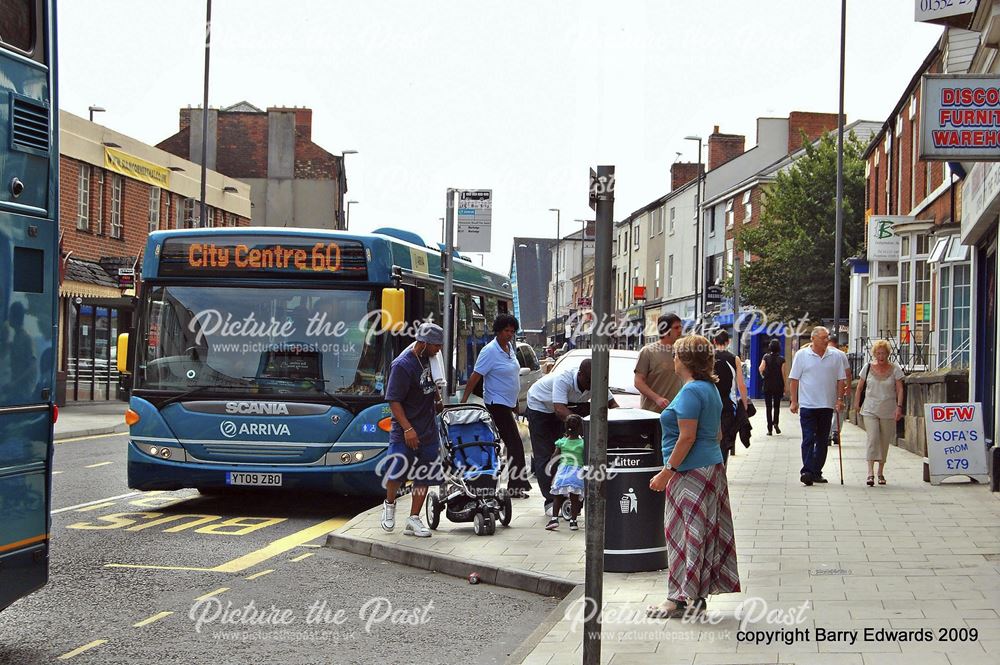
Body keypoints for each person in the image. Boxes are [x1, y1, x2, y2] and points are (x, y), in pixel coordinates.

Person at [647, 335, 740, 619]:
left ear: (686, 360)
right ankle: (695, 597)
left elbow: (686, 437)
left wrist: (667, 472)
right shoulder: (709, 388)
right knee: (701, 534)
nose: (673, 359)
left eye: (676, 355)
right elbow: (718, 433)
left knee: (680, 534)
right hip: (710, 468)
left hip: (690, 472)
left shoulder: (690, 392)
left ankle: (677, 599)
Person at [525, 359, 618, 515]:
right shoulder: (564, 379)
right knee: (548, 454)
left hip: (565, 407)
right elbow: (560, 410)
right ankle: (550, 501)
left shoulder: (596, 381)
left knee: (567, 454)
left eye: (594, 382)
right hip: (540, 406)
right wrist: (585, 428)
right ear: (580, 375)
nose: (591, 386)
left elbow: (613, 405)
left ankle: (568, 495)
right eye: (588, 381)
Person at [381, 323, 445, 537]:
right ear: (424, 343)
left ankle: (413, 518)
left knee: (424, 475)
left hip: (428, 429)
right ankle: (389, 505)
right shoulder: (402, 365)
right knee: (396, 471)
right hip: (405, 429)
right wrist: (408, 429)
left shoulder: (432, 359)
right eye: (436, 345)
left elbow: (433, 382)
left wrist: (437, 399)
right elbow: (394, 401)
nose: (439, 350)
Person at [461, 314, 532, 496]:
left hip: (507, 403)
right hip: (496, 403)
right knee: (515, 443)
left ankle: (516, 485)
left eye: (512, 331)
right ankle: (517, 487)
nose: (510, 334)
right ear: (498, 331)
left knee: (512, 444)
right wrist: (463, 401)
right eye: (506, 331)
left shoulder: (509, 348)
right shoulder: (489, 351)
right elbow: (475, 376)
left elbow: (511, 377)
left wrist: (515, 401)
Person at [789, 326, 846, 486]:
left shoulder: (835, 356)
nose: (826, 340)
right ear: (813, 339)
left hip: (827, 404)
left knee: (822, 440)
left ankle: (816, 471)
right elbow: (794, 379)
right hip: (808, 404)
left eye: (827, 337)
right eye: (823, 338)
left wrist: (840, 399)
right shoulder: (802, 355)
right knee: (808, 438)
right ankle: (807, 470)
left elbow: (841, 379)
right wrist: (794, 401)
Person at [853, 339, 904, 486]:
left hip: (888, 409)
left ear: (888, 354)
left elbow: (900, 389)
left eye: (883, 353)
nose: (881, 356)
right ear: (874, 354)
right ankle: (870, 472)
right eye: (878, 353)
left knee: (884, 441)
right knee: (873, 437)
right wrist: (857, 403)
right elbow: (859, 387)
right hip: (870, 409)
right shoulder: (867, 367)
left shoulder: (895, 369)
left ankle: (880, 471)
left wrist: (899, 407)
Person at [634, 313, 684, 413]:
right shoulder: (648, 352)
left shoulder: (682, 351)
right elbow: (638, 382)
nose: (680, 330)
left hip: (677, 413)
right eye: (676, 327)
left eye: (681, 327)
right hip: (653, 413)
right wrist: (657, 398)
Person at [712, 330, 749, 464]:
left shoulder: (708, 357)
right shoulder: (735, 359)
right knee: (725, 438)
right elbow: (741, 384)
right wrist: (744, 404)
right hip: (728, 405)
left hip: (710, 404)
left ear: (714, 342)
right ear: (728, 342)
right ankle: (722, 469)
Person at [545, 414, 585, 531]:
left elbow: (554, 456)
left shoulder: (561, 442)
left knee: (557, 495)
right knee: (574, 498)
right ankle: (573, 521)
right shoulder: (583, 443)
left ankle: (554, 519)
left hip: (563, 472)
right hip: (577, 472)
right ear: (580, 428)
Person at [827, 336, 853, 446]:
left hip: (826, 386)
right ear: (836, 343)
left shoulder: (823, 352)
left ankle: (827, 434)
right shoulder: (841, 354)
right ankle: (836, 431)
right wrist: (849, 387)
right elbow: (848, 373)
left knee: (827, 410)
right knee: (839, 409)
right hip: (839, 386)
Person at [758, 338, 785, 435]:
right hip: (778, 384)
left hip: (767, 384)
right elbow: (783, 374)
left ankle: (769, 429)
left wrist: (763, 376)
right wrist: (785, 386)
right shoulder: (782, 359)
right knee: (777, 406)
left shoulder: (766, 357)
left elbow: (760, 368)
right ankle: (776, 423)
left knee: (768, 407)